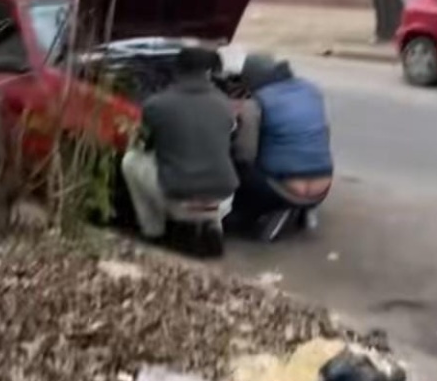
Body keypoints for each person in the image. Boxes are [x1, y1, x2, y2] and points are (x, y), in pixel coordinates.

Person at [121, 47, 238, 252]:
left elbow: (143, 145)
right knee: (217, 155)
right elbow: (228, 136)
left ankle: (153, 231)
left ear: (176, 71)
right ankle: (214, 225)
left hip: (177, 199)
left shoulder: (155, 104)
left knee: (131, 161)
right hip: (222, 200)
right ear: (209, 73)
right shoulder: (225, 104)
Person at [225, 52, 333, 241]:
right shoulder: (312, 90)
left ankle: (257, 217)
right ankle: (301, 210)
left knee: (235, 168)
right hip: (324, 184)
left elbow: (245, 153)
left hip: (282, 189)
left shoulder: (258, 102)